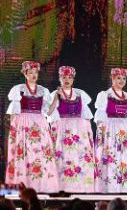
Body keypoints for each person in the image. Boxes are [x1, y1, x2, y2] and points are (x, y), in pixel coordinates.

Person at [6, 61, 58, 191]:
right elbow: (14, 112)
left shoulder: (43, 90)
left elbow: (48, 111)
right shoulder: (19, 89)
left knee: (40, 152)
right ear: (25, 74)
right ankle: (24, 183)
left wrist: (56, 98)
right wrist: (13, 131)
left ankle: (40, 184)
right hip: (23, 123)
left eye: (35, 72)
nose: (34, 75)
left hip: (39, 123)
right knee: (24, 152)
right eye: (30, 73)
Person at [46, 65, 96, 192]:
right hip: (63, 130)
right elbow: (50, 114)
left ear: (73, 79)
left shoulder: (80, 94)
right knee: (63, 157)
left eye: (69, 77)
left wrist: (88, 136)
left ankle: (81, 187)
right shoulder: (54, 94)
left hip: (79, 131)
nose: (67, 79)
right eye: (64, 77)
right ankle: (61, 187)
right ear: (59, 78)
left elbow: (86, 117)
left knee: (80, 157)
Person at [94, 68, 127, 194]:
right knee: (111, 156)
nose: (121, 81)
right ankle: (110, 187)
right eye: (118, 78)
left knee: (126, 156)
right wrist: (100, 137)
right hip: (111, 128)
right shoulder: (105, 95)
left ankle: (126, 187)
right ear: (112, 78)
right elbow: (99, 118)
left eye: (124, 78)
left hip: (125, 128)